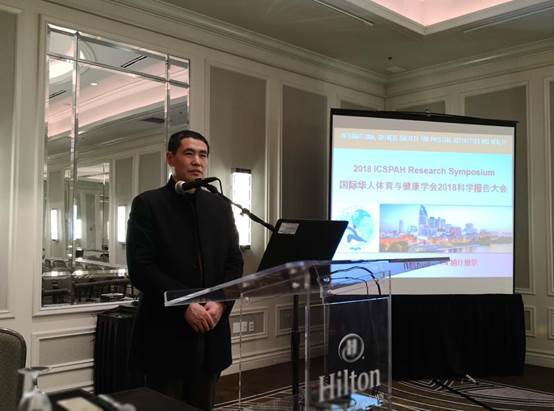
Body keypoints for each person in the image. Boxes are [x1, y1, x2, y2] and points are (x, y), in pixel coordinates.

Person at [126, 130, 243, 410]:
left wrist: (221, 302)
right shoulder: (148, 204)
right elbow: (141, 268)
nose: (197, 161)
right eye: (189, 153)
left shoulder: (220, 206)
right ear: (170, 158)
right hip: (165, 336)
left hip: (211, 335)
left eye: (203, 155)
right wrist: (184, 303)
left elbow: (234, 263)